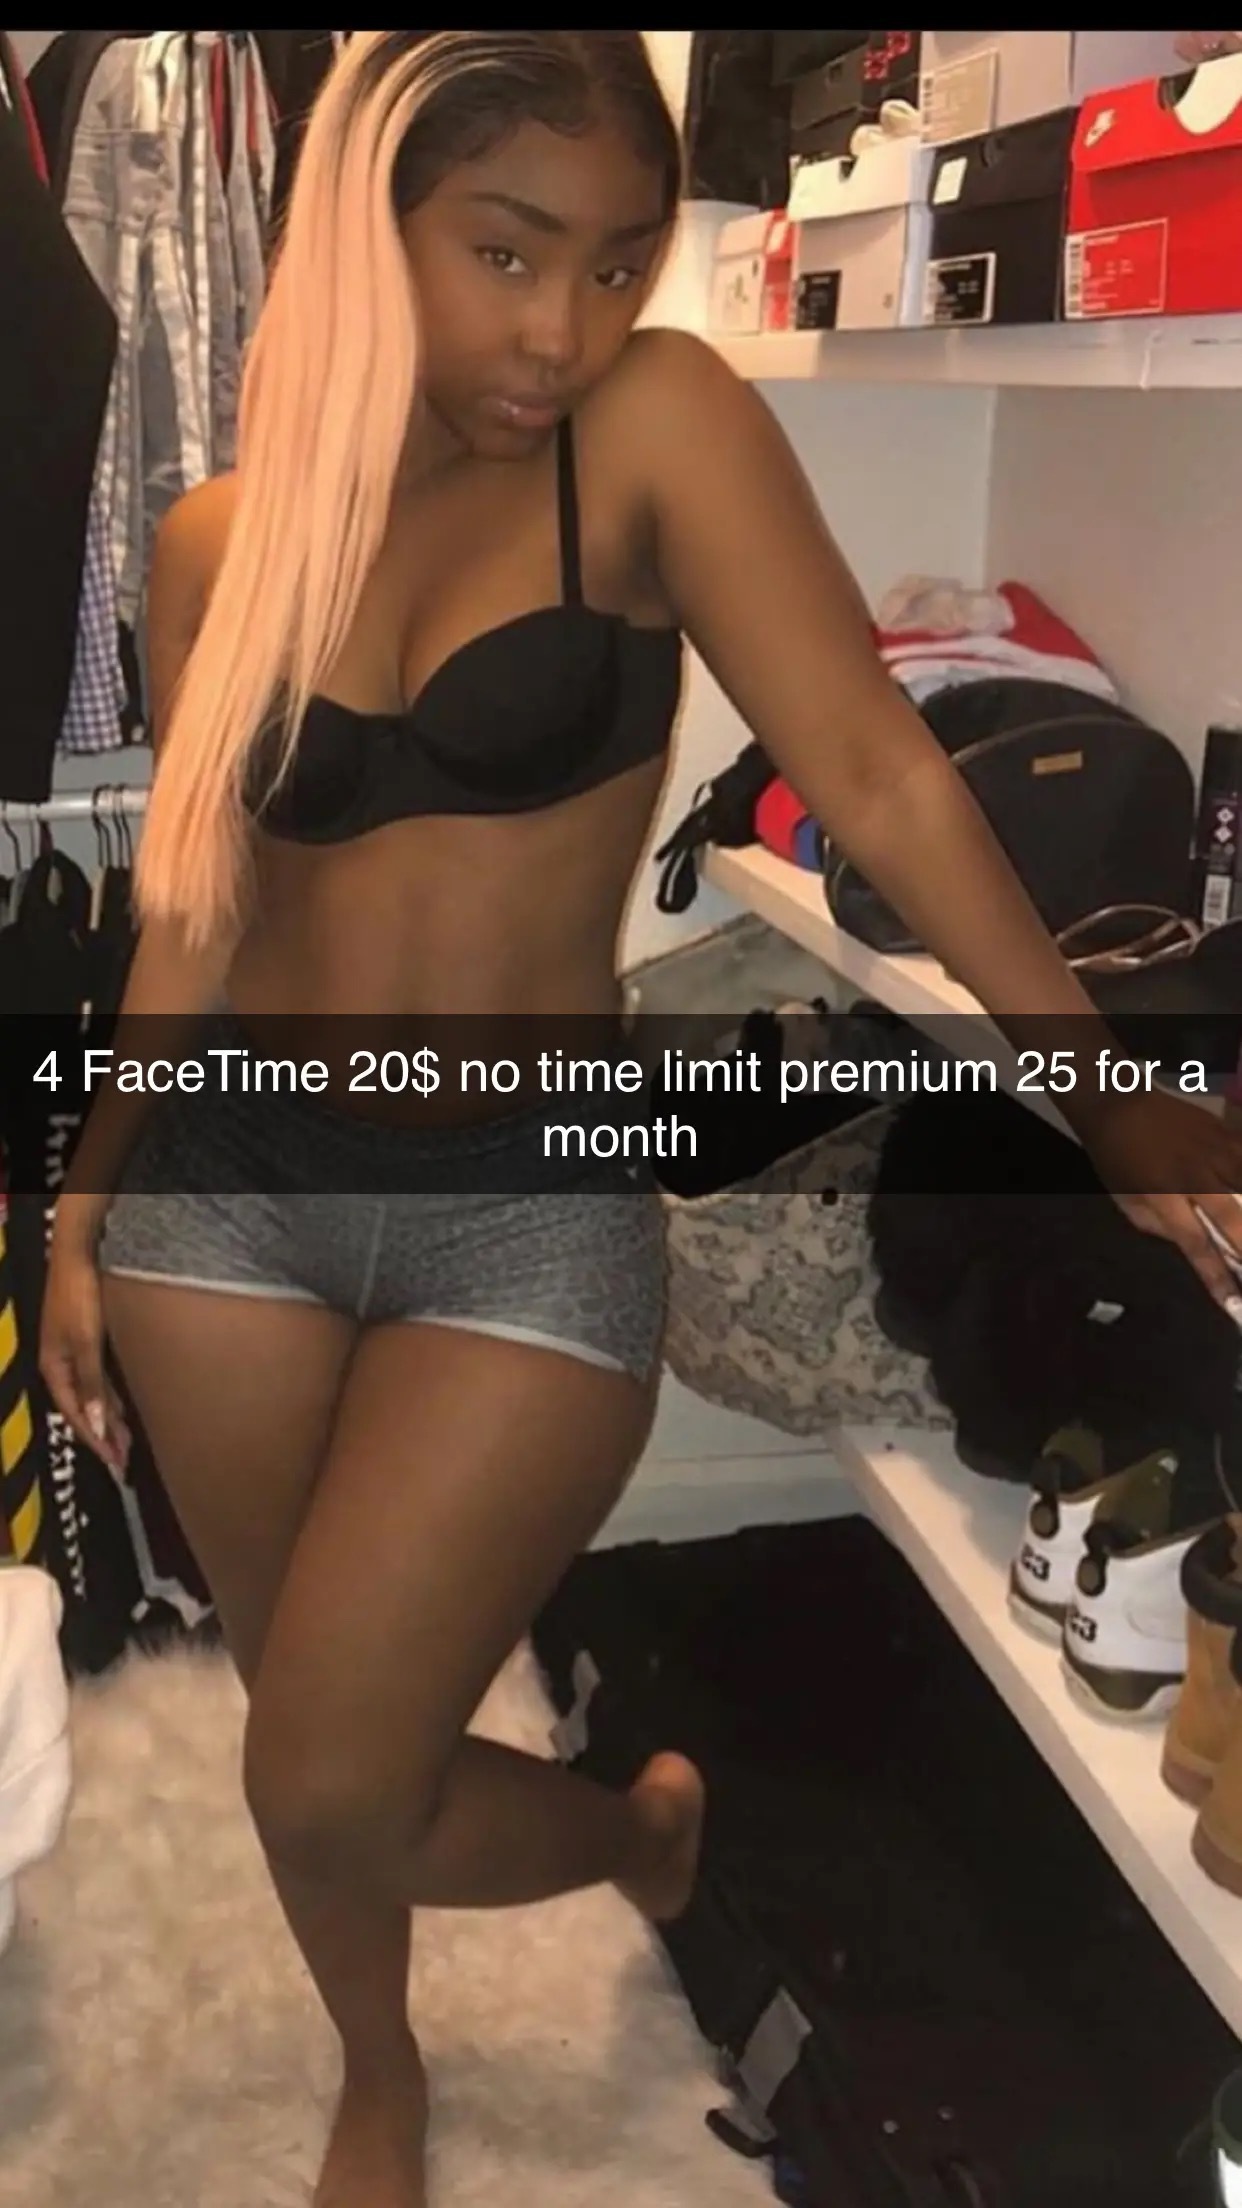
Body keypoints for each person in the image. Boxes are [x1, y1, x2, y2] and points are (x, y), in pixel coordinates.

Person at [36, 30, 1242, 2208]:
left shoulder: (654, 430)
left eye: (612, 263)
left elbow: (874, 774)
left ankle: (635, 1836)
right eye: (506, 254)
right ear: (367, 229)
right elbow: (195, 916)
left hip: (525, 1208)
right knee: (311, 1744)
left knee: (327, 1775)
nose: (564, 329)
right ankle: (380, 2062)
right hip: (234, 1201)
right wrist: (76, 1215)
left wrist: (1109, 1092)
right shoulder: (222, 541)